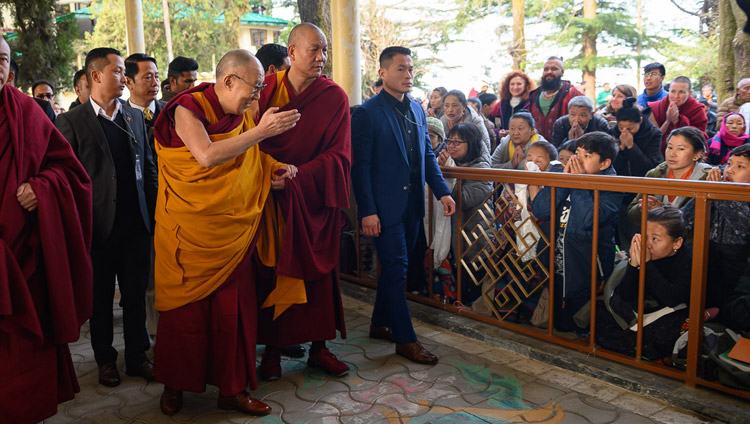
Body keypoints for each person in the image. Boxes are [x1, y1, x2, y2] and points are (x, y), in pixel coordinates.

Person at [151, 49, 300, 416]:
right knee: (184, 316)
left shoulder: (240, 114)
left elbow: (250, 159)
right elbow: (205, 156)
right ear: (229, 80)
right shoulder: (187, 108)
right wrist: (262, 132)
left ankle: (232, 390)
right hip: (190, 231)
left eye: (261, 88)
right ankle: (174, 386)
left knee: (234, 313)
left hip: (232, 234)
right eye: (254, 88)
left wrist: (272, 171)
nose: (257, 96)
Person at [0, 36, 93, 424]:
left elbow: (73, 175)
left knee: (23, 369)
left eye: (2, 58)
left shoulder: (27, 111)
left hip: (23, 262)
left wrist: (42, 189)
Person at [252, 23, 353, 380]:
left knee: (319, 279)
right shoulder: (263, 92)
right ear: (291, 53)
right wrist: (272, 172)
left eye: (324, 50)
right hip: (272, 203)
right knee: (272, 274)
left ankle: (320, 349)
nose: (322, 58)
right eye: (314, 50)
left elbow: (340, 156)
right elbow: (248, 142)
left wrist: (299, 175)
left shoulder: (334, 97)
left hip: (312, 200)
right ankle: (273, 351)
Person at [56, 47, 157, 388]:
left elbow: (150, 169)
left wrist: (154, 215)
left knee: (134, 293)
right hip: (98, 227)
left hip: (136, 224)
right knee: (100, 298)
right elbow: (65, 177)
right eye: (117, 71)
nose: (123, 78)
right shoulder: (71, 122)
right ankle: (105, 359)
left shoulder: (133, 116)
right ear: (95, 76)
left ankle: (138, 356)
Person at [352, 46, 455, 365]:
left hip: (413, 205)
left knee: (399, 269)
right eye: (400, 69)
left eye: (411, 69)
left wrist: (442, 192)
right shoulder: (367, 112)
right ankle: (406, 340)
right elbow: (361, 166)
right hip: (383, 208)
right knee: (396, 270)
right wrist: (367, 210)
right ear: (382, 73)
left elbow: (426, 156)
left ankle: (379, 323)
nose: (408, 75)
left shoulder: (418, 110)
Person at [530, 132, 622, 332]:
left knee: (576, 328)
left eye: (587, 156)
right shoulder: (567, 174)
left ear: (604, 164)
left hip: (586, 270)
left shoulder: (612, 187)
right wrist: (567, 180)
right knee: (557, 326)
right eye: (578, 153)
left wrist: (578, 183)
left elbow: (588, 220)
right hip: (556, 264)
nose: (577, 160)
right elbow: (541, 210)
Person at [596, 205, 692, 360]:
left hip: (670, 313)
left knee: (668, 332)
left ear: (677, 243)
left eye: (655, 239)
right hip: (641, 312)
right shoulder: (645, 254)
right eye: (644, 236)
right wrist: (634, 266)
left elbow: (672, 298)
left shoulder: (687, 259)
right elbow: (626, 296)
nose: (647, 244)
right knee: (598, 312)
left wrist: (647, 265)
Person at [683, 144, 750, 309]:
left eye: (740, 166)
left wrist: (717, 192)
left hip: (737, 263)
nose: (730, 170)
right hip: (706, 254)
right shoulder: (715, 185)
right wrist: (708, 191)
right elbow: (685, 219)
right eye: (729, 164)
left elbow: (745, 228)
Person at [628, 127, 710, 236]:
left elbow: (704, 221)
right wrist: (644, 207)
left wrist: (661, 211)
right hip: (656, 241)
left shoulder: (707, 178)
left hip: (691, 244)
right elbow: (631, 215)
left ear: (697, 154)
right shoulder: (655, 174)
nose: (672, 154)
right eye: (670, 147)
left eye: (681, 149)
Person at [444, 123, 493, 302]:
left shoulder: (482, 170)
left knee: (469, 290)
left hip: (474, 242)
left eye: (457, 142)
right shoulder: (450, 162)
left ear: (471, 144)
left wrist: (447, 173)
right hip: (454, 237)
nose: (451, 145)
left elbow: (462, 200)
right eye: (449, 140)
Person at [528, 57, 584, 141]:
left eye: (554, 69)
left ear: (562, 72)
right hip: (537, 148)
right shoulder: (534, 95)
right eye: (546, 69)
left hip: (563, 147)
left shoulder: (572, 94)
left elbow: (589, 113)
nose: (549, 72)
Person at [649, 76, 708, 155]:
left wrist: (678, 121)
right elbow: (652, 137)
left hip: (685, 156)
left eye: (682, 92)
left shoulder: (697, 109)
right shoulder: (656, 107)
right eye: (673, 91)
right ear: (668, 91)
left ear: (690, 93)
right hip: (658, 154)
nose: (676, 96)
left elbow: (700, 138)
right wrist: (668, 121)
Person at [610, 96, 663, 179]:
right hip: (619, 182)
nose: (625, 132)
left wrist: (632, 147)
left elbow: (651, 167)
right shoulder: (613, 133)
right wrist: (620, 148)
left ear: (640, 121)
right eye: (621, 128)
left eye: (630, 128)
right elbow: (610, 165)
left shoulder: (653, 134)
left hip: (644, 182)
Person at [125, 53, 165, 155]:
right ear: (129, 82)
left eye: (156, 77)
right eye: (148, 78)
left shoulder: (171, 111)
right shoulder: (121, 118)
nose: (155, 83)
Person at [441, 89, 491, 154]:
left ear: (464, 107)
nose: (450, 110)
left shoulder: (475, 121)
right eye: (446, 106)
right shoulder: (442, 122)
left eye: (454, 105)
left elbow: (486, 148)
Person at [6, 58, 56, 122]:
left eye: (49, 96)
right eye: (40, 96)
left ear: (10, 77)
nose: (45, 99)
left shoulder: (37, 108)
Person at [490, 71, 535, 138]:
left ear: (526, 86)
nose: (515, 87)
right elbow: (490, 126)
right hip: (503, 145)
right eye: (512, 84)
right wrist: (498, 132)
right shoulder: (498, 107)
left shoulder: (532, 105)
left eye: (519, 84)